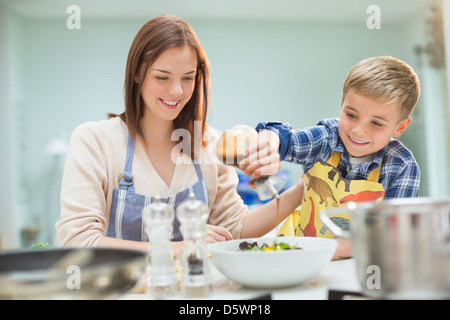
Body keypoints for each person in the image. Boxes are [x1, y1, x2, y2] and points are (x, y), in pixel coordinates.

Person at [56, 15, 303, 255]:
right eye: (162, 77)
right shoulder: (95, 141)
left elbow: (236, 230)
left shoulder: (209, 145)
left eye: (188, 78)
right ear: (136, 74)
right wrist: (181, 247)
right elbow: (80, 241)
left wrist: (304, 188)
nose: (176, 91)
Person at [240, 56, 421, 257]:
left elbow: (393, 234)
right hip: (299, 259)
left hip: (361, 270)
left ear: (401, 126)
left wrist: (332, 249)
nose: (358, 131)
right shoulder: (327, 139)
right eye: (351, 115)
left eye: (376, 123)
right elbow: (284, 137)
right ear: (342, 102)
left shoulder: (402, 165)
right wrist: (270, 144)